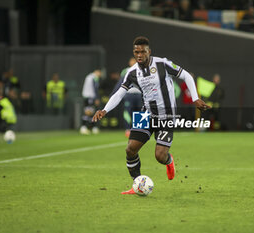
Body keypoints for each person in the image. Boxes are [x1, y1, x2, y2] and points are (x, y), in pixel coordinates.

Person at [92, 36, 210, 194]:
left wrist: (195, 98)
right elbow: (119, 94)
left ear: (149, 52)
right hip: (145, 113)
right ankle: (137, 184)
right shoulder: (131, 72)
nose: (139, 55)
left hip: (167, 115)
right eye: (136, 52)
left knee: (160, 156)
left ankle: (169, 161)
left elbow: (186, 76)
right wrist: (104, 110)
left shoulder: (162, 64)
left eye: (142, 52)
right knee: (130, 149)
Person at [80, 69, 102, 135]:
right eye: (99, 73)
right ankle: (84, 128)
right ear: (96, 72)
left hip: (86, 96)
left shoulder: (88, 77)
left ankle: (91, 128)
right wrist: (96, 98)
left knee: (90, 112)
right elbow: (95, 88)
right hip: (90, 96)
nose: (100, 75)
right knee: (88, 112)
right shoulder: (94, 77)